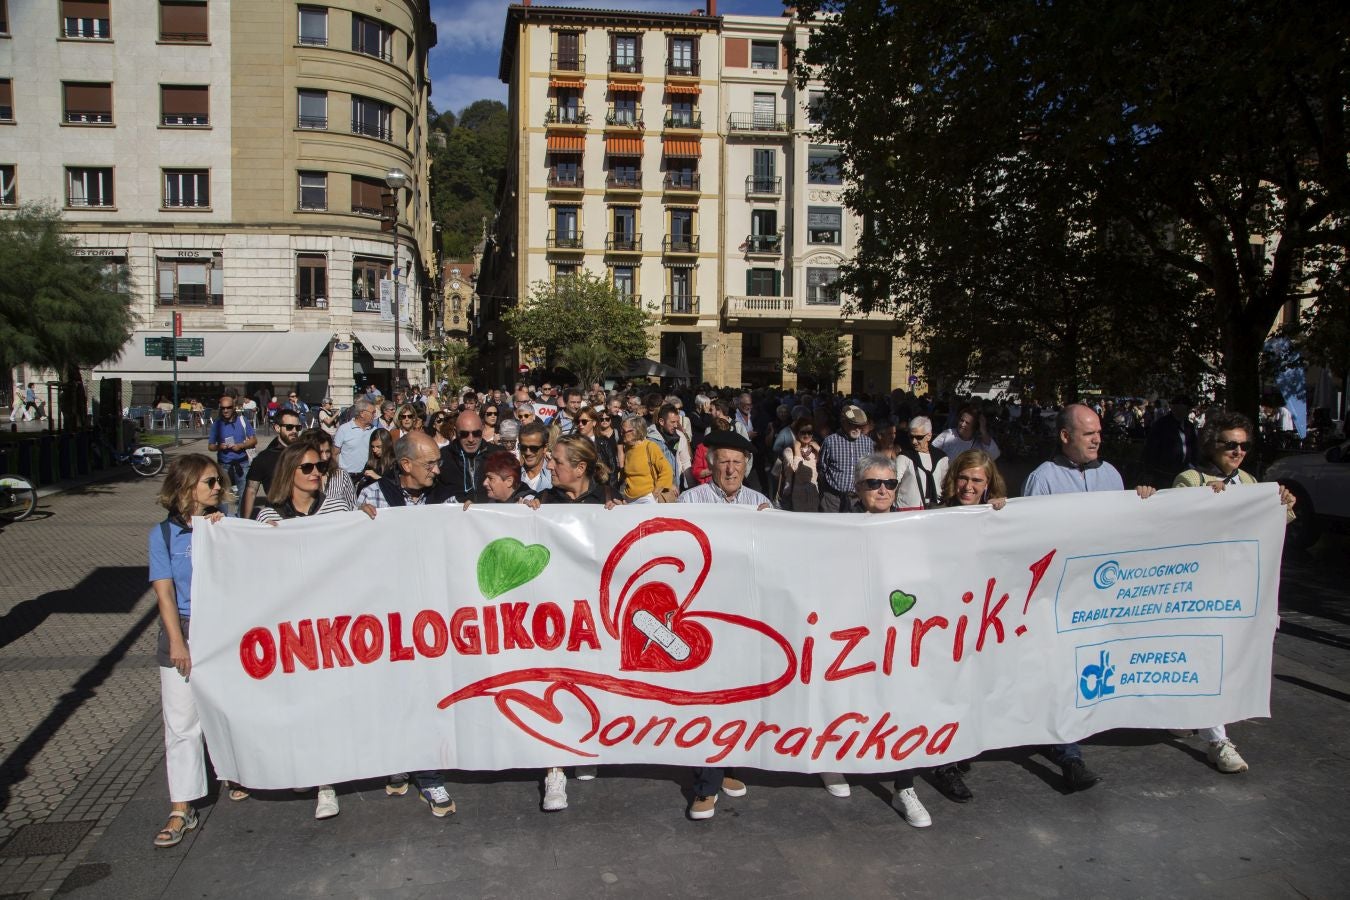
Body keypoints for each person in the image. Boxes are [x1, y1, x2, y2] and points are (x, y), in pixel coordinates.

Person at [1022, 403, 1156, 791]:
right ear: (1065, 437)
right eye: (1088, 433)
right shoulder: (1043, 479)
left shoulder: (1113, 475)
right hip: (1060, 597)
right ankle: (1067, 751)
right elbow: (1029, 541)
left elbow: (1129, 530)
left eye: (1099, 432)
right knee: (1061, 670)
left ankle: (1081, 727)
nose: (1098, 439)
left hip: (1102, 595)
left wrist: (1143, 500)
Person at [1171, 410, 1296, 774]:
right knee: (1208, 662)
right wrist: (1206, 504)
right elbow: (1172, 528)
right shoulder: (1190, 479)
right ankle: (1217, 740)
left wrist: (1283, 506)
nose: (1238, 451)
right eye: (1230, 445)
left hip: (1236, 589)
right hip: (1196, 588)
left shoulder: (1250, 482)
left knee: (1216, 662)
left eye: (1243, 445)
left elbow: (1266, 528)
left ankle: (1185, 713)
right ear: (1212, 445)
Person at [356, 432, 458, 816]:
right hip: (389, 613)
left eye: (437, 462)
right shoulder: (372, 496)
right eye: (430, 463)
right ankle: (397, 761)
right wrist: (356, 525)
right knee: (395, 691)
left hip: (435, 613)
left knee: (429, 691)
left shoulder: (446, 495)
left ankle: (429, 775)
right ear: (405, 465)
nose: (437, 468)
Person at [678, 431, 769, 820]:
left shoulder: (760, 503)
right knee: (708, 696)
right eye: (723, 462)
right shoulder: (691, 501)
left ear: (746, 465)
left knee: (737, 695)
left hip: (745, 615)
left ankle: (726, 766)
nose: (730, 469)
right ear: (710, 465)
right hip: (703, 613)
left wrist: (776, 526)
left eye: (737, 462)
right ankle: (705, 785)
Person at [149, 454, 226, 847]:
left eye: (218, 482)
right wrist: (177, 639)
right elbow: (164, 593)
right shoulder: (162, 536)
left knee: (229, 708)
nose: (217, 488)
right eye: (209, 482)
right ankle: (182, 806)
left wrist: (224, 532)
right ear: (185, 488)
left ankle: (234, 770)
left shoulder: (223, 525)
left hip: (224, 630)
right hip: (185, 626)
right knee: (181, 722)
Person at [240, 407, 304, 520]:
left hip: (305, 514)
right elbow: (251, 490)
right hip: (277, 515)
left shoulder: (305, 453)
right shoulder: (264, 458)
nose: (294, 431)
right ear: (277, 428)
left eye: (298, 427)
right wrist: (246, 522)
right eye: (289, 427)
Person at [206, 394, 256, 515]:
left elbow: (254, 440)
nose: (225, 410)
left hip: (242, 464)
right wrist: (219, 446)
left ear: (234, 407)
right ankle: (223, 520)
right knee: (222, 496)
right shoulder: (217, 424)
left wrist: (241, 446)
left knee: (243, 495)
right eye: (223, 408)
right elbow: (210, 446)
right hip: (224, 465)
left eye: (228, 407)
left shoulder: (242, 421)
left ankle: (240, 519)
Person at [818, 406, 874, 512]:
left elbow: (870, 468)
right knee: (830, 526)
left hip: (857, 498)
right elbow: (822, 468)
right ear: (843, 422)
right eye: (853, 425)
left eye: (860, 425)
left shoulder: (867, 442)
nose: (858, 428)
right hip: (833, 498)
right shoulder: (830, 441)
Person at [437, 410, 501, 501]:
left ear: (482, 430)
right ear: (456, 432)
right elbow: (432, 492)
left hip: (489, 513)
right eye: (464, 434)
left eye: (476, 433)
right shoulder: (443, 456)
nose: (471, 439)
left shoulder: (498, 453)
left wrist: (527, 496)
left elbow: (515, 484)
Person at [618, 413, 675, 503]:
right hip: (629, 498)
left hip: (647, 498)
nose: (621, 434)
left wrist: (653, 495)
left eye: (624, 431)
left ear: (636, 431)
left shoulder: (650, 447)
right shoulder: (627, 448)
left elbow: (667, 471)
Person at [1144, 396, 1197, 488]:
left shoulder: (1190, 427)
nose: (1188, 411)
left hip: (1184, 473)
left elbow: (1194, 448)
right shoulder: (1161, 425)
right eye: (1184, 407)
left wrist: (1194, 465)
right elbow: (1151, 449)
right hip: (1164, 474)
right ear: (1174, 407)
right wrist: (1149, 472)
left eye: (1188, 408)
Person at [903, 416, 949, 509]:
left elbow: (946, 484)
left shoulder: (941, 457)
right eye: (911, 436)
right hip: (910, 508)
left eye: (919, 437)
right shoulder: (904, 456)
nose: (914, 441)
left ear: (929, 436)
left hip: (936, 507)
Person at [779, 416, 820, 511]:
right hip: (796, 494)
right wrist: (797, 450)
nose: (806, 435)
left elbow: (824, 468)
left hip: (814, 493)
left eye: (809, 432)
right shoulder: (789, 451)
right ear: (797, 433)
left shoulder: (815, 450)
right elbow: (797, 471)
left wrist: (819, 449)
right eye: (803, 432)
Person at [465, 450, 536, 505]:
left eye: (490, 478)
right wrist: (474, 511)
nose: (484, 483)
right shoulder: (493, 500)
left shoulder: (530, 503)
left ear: (509, 481)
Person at [648, 403, 693, 488]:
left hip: (677, 486)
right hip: (657, 488)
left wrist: (692, 487)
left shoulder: (680, 436)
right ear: (661, 421)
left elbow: (686, 462)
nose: (676, 425)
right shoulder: (650, 439)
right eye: (672, 422)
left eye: (677, 421)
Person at [932, 405, 1000, 460]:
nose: (962, 424)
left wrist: (983, 430)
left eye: (967, 423)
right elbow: (932, 451)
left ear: (974, 426)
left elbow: (994, 455)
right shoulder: (948, 434)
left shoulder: (978, 444)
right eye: (962, 420)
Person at [333, 399, 376, 477]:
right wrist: (338, 471)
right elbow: (334, 453)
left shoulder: (374, 430)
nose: (374, 416)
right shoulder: (344, 429)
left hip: (367, 476)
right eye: (372, 413)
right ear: (362, 413)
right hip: (346, 476)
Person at [517, 421, 553, 494]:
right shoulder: (513, 475)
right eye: (523, 447)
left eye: (534, 448)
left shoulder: (555, 476)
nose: (528, 452)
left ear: (545, 448)